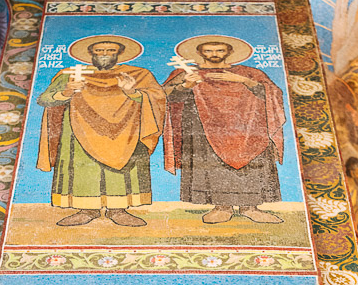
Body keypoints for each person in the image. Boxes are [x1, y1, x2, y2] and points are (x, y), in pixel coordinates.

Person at [37, 37, 166, 227]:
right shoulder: (71, 74)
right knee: (83, 168)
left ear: (119, 53)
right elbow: (45, 99)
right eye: (99, 50)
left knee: (123, 167)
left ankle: (119, 210)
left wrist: (133, 92)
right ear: (90, 53)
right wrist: (65, 93)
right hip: (78, 128)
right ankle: (86, 209)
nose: (104, 54)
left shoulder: (138, 74)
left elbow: (158, 98)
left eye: (110, 50)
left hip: (127, 130)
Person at [163, 38, 287, 223]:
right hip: (203, 126)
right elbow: (164, 96)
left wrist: (243, 81)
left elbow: (272, 94)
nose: (214, 54)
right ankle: (221, 207)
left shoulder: (249, 72)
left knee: (252, 163)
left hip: (248, 126)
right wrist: (185, 85)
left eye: (220, 50)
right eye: (208, 50)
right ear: (200, 52)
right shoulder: (184, 72)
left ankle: (251, 208)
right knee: (211, 163)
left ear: (228, 52)